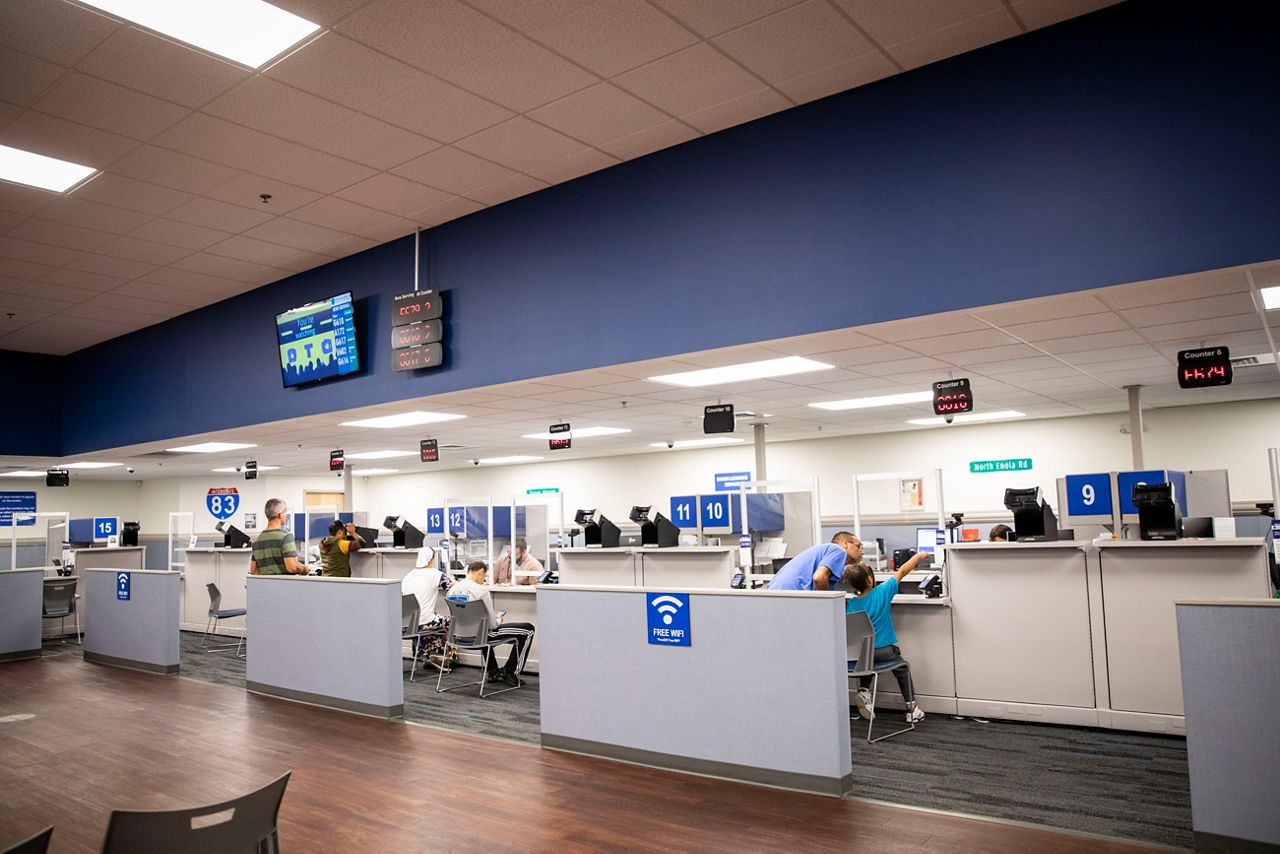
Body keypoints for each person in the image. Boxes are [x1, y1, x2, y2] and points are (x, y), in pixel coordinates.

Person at [843, 550, 931, 723]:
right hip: (884, 651)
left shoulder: (850, 604)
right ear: (869, 580)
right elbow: (903, 571)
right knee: (902, 668)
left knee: (866, 659)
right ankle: (911, 709)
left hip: (861, 655)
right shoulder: (882, 592)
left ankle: (864, 691)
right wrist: (919, 556)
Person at [445, 560, 535, 687]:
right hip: (480, 638)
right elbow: (493, 625)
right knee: (528, 630)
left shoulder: (451, 591)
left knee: (481, 627)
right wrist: (499, 618)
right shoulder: (481, 591)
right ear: (481, 572)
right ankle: (510, 672)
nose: (484, 580)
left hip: (457, 637)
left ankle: (492, 671)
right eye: (485, 576)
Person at [402, 546, 450, 665]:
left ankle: (424, 653)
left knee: (429, 617)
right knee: (448, 621)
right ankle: (447, 658)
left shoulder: (407, 577)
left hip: (407, 625)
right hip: (425, 623)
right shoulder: (435, 574)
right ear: (431, 560)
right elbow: (451, 585)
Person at [767, 531, 863, 591]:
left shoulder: (825, 551)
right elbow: (819, 578)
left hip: (777, 593)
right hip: (788, 595)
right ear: (845, 543)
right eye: (858, 546)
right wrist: (826, 607)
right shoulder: (838, 550)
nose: (861, 552)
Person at [249, 498, 310, 575]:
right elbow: (292, 567)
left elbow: (254, 571)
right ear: (279, 514)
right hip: (284, 585)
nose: (286, 515)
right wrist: (304, 569)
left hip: (264, 586)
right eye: (285, 512)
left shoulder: (257, 540)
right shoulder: (286, 537)